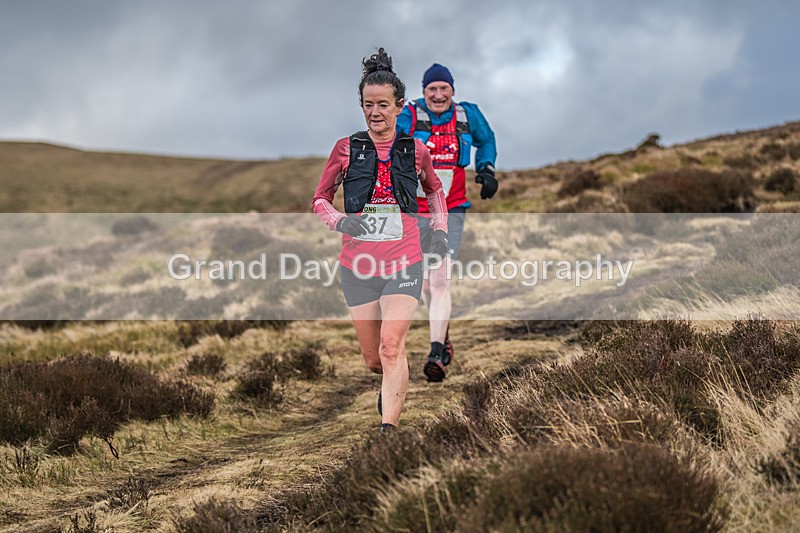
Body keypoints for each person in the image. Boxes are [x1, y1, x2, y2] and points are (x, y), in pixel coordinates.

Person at [312, 48, 449, 432]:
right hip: (358, 268)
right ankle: (391, 382)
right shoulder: (345, 149)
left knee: (392, 346)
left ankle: (388, 430)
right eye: (368, 105)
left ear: (399, 106)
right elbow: (319, 199)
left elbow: (436, 192)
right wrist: (340, 222)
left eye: (383, 105)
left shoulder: (415, 150)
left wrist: (438, 233)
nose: (375, 112)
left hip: (404, 261)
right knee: (374, 360)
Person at [397, 63, 498, 382]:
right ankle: (445, 335)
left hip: (451, 210)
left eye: (444, 88)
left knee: (439, 280)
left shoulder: (468, 115)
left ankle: (437, 352)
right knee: (426, 283)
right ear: (423, 92)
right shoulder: (410, 115)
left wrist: (486, 169)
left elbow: (487, 139)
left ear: (453, 90)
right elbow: (387, 144)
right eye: (431, 89)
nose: (438, 95)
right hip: (414, 211)